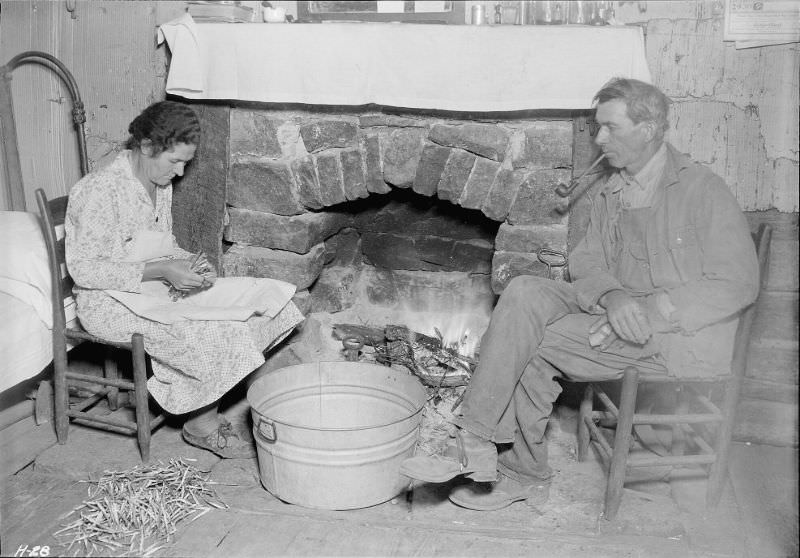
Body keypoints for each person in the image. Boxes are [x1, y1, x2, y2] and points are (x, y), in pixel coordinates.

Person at [399, 78, 760, 511]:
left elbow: (736, 282)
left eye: (611, 127)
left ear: (648, 129)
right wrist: (613, 299)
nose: (600, 138)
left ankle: (520, 472)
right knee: (525, 289)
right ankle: (476, 437)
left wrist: (645, 310)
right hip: (618, 308)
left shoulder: (702, 189)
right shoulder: (614, 188)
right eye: (596, 128)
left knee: (529, 345)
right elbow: (586, 263)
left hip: (678, 337)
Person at [65, 101, 304, 458]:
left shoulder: (158, 183)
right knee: (214, 333)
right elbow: (84, 270)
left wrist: (187, 262)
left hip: (151, 289)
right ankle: (201, 423)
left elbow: (162, 244)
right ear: (146, 146)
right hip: (107, 303)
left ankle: (208, 402)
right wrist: (162, 271)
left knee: (268, 303)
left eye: (185, 164)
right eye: (174, 161)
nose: (179, 172)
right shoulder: (99, 191)